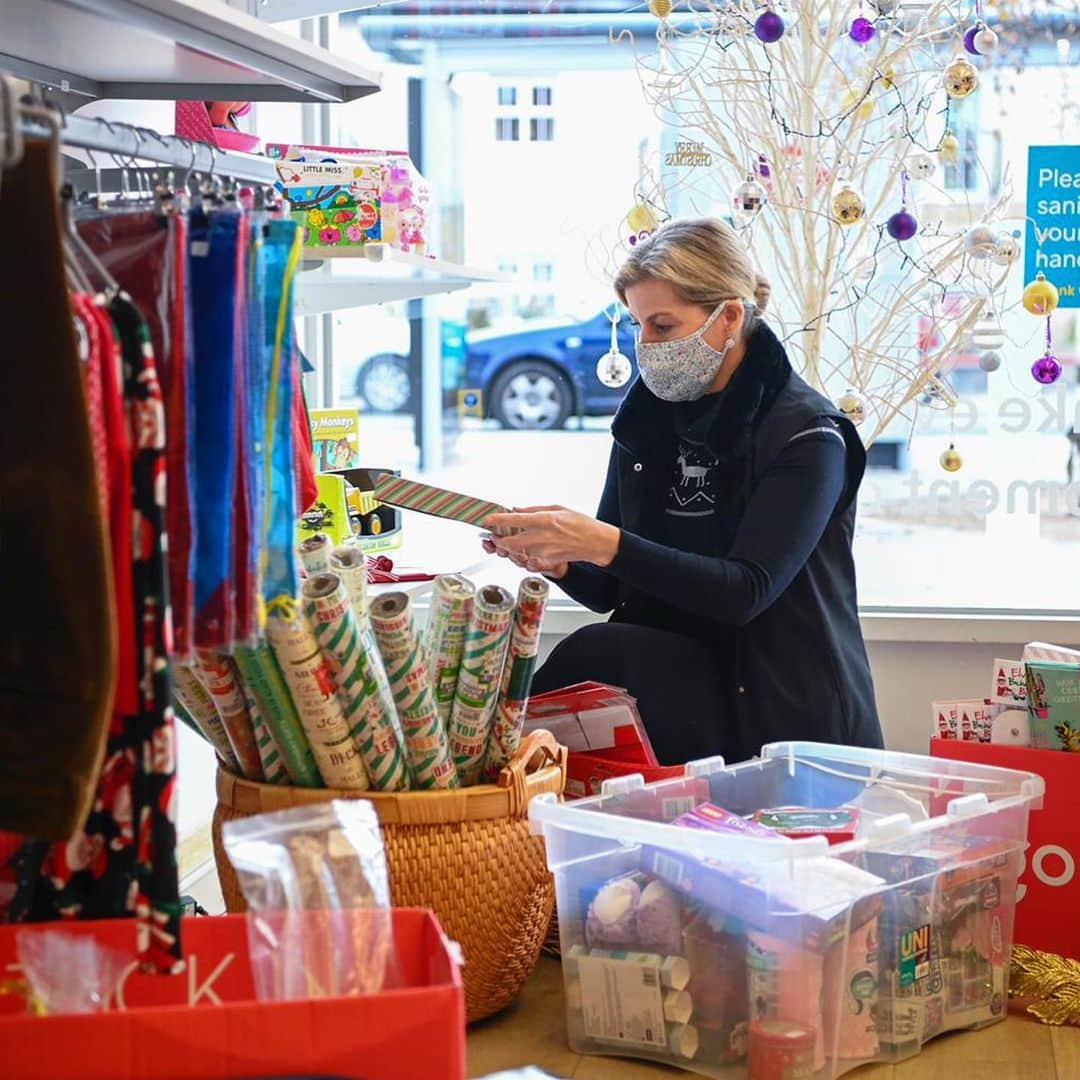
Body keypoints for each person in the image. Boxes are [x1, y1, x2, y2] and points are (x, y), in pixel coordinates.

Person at [484, 217, 882, 764]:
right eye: (638, 325)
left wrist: (600, 542)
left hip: (786, 716)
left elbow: (745, 591)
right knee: (584, 665)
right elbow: (611, 588)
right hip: (682, 701)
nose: (647, 345)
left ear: (729, 318)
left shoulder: (807, 435)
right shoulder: (646, 423)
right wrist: (560, 558)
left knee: (595, 653)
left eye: (664, 326)